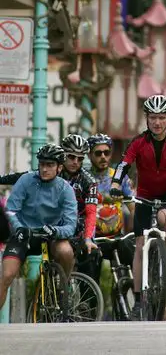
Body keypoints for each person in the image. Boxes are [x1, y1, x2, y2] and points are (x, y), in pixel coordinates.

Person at [110, 94, 166, 320]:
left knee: (165, 220)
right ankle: (139, 300)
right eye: (153, 118)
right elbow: (123, 165)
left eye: (161, 118)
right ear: (147, 118)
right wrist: (115, 184)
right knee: (140, 245)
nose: (157, 122)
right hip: (144, 195)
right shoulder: (138, 142)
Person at [0, 144, 77, 312]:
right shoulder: (26, 180)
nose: (44, 169)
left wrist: (56, 231)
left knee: (65, 250)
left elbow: (71, 225)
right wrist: (19, 228)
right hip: (24, 234)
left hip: (50, 235)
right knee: (6, 276)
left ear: (59, 168)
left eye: (49, 165)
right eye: (42, 164)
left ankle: (64, 287)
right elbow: (11, 209)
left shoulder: (65, 189)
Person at [59, 134, 100, 280]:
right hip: (54, 225)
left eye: (80, 158)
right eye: (71, 157)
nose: (75, 162)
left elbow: (91, 212)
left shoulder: (89, 181)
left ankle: (88, 301)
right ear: (62, 154)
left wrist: (88, 238)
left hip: (79, 228)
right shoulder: (52, 173)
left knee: (92, 254)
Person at [87, 132, 135, 239]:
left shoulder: (120, 178)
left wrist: (136, 232)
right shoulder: (83, 178)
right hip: (90, 236)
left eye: (106, 153)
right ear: (89, 155)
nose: (103, 157)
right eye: (98, 153)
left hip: (117, 236)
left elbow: (133, 208)